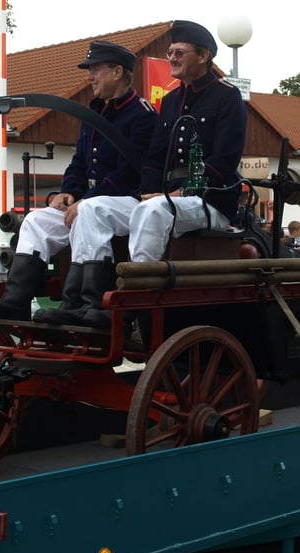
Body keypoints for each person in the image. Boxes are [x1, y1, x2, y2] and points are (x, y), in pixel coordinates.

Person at [35, 19, 247, 328]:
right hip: (169, 198)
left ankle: (134, 301)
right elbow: (155, 157)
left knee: (153, 210)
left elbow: (224, 161)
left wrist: (179, 192)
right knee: (96, 210)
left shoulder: (226, 97)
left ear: (203, 56)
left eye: (179, 52)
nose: (171, 57)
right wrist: (146, 190)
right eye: (170, 52)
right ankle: (81, 302)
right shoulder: (172, 100)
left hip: (211, 200)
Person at [0, 40, 157, 322]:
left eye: (95, 69)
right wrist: (69, 192)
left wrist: (87, 200)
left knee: (90, 211)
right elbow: (79, 163)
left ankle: (84, 303)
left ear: (117, 72)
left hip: (131, 203)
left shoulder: (142, 115)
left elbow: (129, 174)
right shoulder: (94, 113)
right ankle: (16, 300)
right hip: (92, 205)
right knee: (35, 221)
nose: (89, 77)